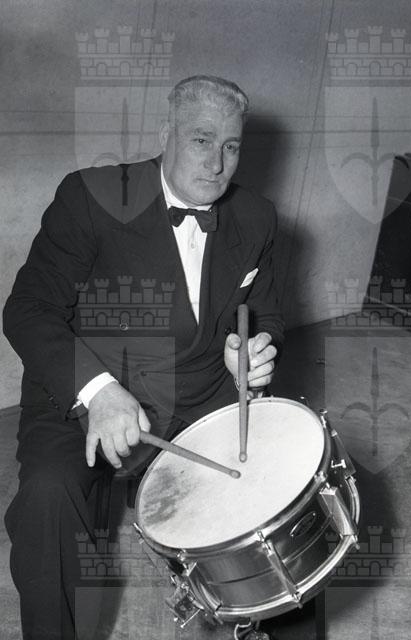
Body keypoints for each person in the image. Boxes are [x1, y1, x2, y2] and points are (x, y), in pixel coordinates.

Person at [3, 75, 284, 639]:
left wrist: (250, 351)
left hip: (199, 394)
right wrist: (98, 391)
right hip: (88, 394)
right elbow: (27, 309)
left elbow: (265, 311)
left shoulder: (257, 216)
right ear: (166, 135)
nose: (217, 164)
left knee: (273, 502)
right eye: (201, 140)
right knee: (48, 500)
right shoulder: (90, 197)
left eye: (231, 147)